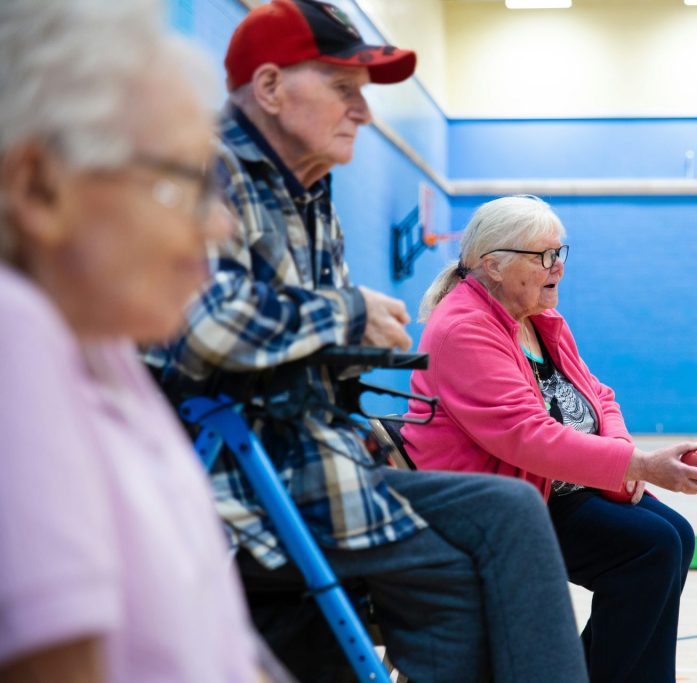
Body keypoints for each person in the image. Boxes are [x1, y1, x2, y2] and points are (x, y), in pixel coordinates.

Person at [148, 3, 587, 681]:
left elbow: (298, 334)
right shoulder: (202, 171)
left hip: (313, 458)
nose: (364, 112)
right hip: (240, 475)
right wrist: (349, 316)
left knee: (508, 513)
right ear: (268, 88)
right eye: (343, 90)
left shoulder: (309, 191)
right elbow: (203, 325)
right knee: (462, 562)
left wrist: (353, 340)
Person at [0, 1, 269, 681]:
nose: (220, 226)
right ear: (37, 186)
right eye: (183, 183)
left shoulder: (102, 346)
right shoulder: (15, 334)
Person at [403, 195, 697, 683]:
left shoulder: (539, 319)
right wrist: (637, 465)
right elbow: (527, 438)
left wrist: (625, 459)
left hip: (552, 488)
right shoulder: (463, 328)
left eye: (560, 253)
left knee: (676, 536)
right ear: (493, 265)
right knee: (650, 548)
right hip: (497, 505)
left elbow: (598, 395)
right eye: (543, 257)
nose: (558, 268)